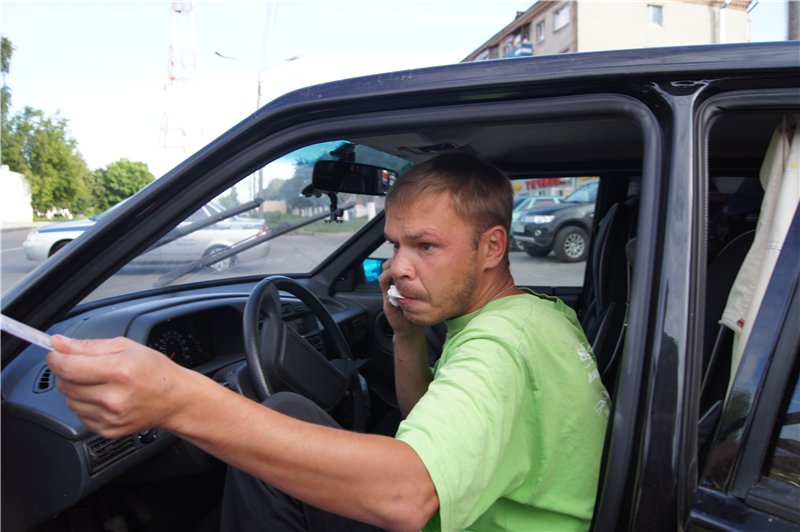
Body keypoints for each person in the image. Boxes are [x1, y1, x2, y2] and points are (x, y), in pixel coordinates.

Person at [47, 152, 610, 531]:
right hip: (483, 507)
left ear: (491, 248)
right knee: (288, 409)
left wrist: (180, 400)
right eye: (395, 245)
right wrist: (407, 338)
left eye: (426, 247)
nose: (400, 268)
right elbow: (433, 424)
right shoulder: (539, 314)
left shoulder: (498, 344)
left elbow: (406, 497)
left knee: (263, 462)